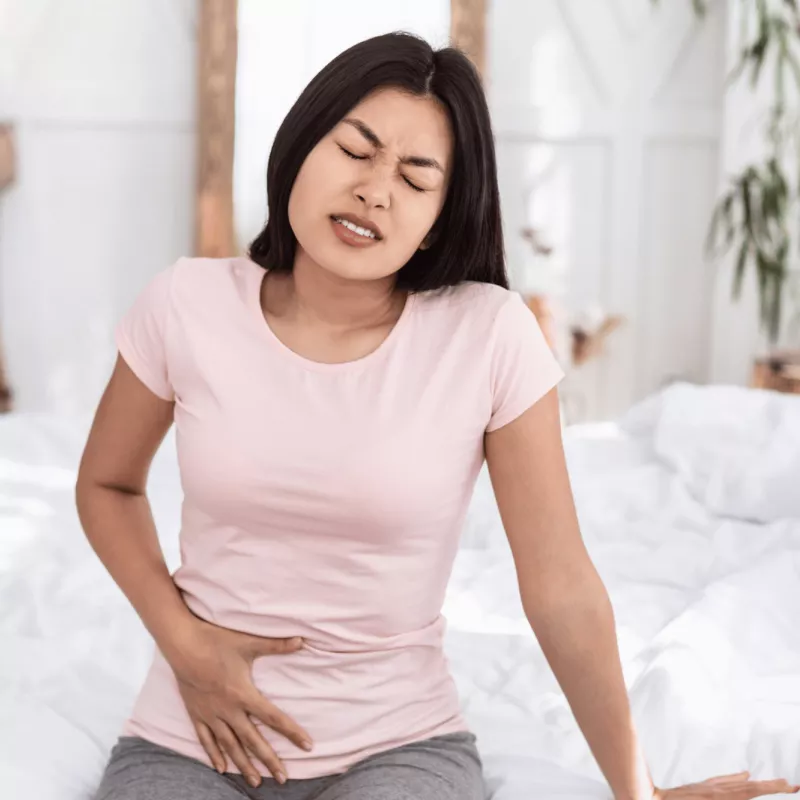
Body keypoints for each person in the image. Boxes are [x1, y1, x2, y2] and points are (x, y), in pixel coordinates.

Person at [76, 31, 798, 800]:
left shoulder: (487, 333)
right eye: (355, 149)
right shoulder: (186, 303)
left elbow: (559, 583)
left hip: (398, 750)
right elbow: (108, 485)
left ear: (441, 216)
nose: (374, 190)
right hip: (187, 741)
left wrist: (637, 790)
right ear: (300, 144)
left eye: (415, 178)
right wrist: (183, 645)